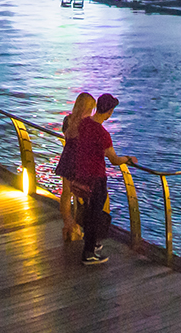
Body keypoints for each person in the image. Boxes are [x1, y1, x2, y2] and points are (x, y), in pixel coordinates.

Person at [72, 92, 136, 266]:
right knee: (94, 214)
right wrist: (128, 159)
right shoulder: (103, 134)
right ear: (109, 111)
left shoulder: (84, 124)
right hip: (97, 178)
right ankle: (89, 252)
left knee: (88, 212)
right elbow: (114, 160)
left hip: (82, 174)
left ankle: (91, 245)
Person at [56, 92, 95, 242]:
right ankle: (79, 226)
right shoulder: (88, 124)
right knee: (82, 194)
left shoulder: (68, 119)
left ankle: (68, 224)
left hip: (67, 159)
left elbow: (67, 136)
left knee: (66, 193)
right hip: (80, 162)